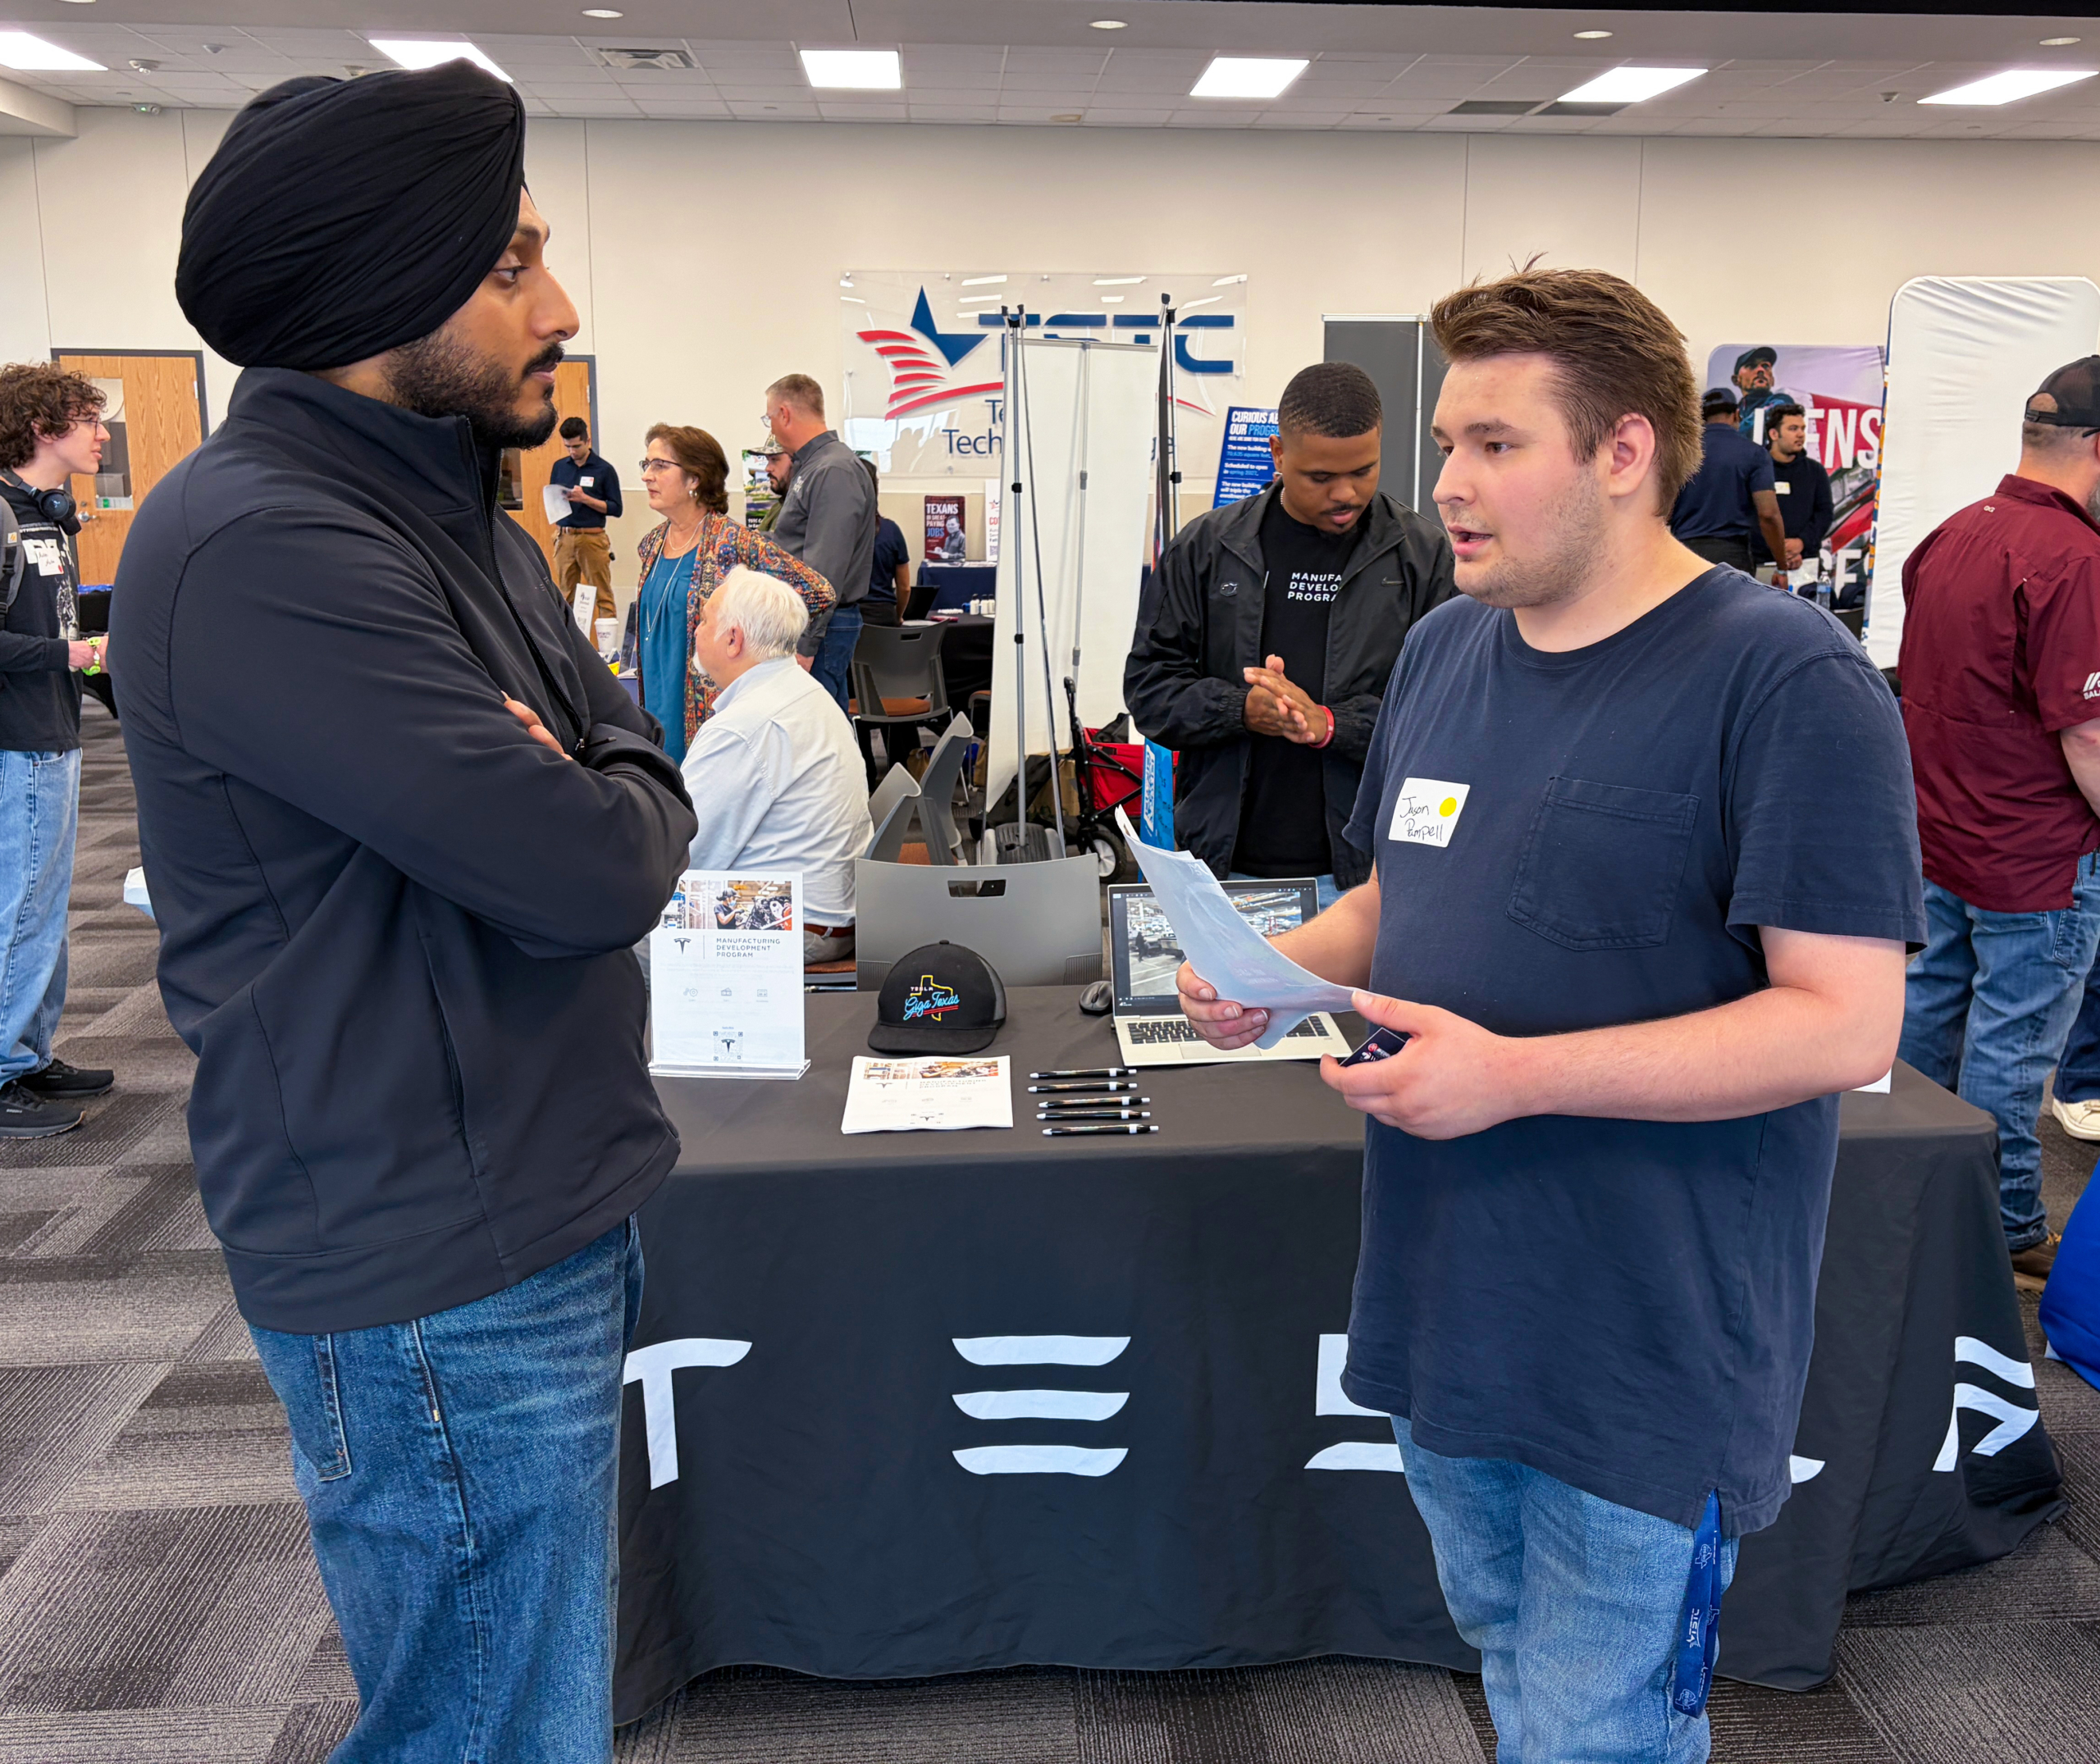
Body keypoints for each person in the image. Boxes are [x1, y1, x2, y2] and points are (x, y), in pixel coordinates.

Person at [1178, 267, 1920, 1762]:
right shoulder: (1450, 648)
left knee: (1599, 1726)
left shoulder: (1787, 680)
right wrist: (1272, 969)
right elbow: (1397, 891)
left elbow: (1846, 1023)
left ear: (1624, 451)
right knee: (1514, 1661)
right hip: (1447, 1299)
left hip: (1644, 1342)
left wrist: (1517, 1076)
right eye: (1447, 444)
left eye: (1495, 445)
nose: (1446, 485)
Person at [112, 63, 700, 1760]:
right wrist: (603, 777)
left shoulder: (449, 514)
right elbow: (598, 870)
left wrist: (598, 763)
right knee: (488, 1728)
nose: (560, 307)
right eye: (512, 265)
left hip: (531, 1201)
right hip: (436, 1254)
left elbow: (632, 769)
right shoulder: (264, 544)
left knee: (529, 1703)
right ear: (377, 289)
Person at [1897, 357, 2100, 1288]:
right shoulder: (2076, 560)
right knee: (2011, 1047)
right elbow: (2087, 734)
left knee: (1927, 1023)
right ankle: (2008, 1226)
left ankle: (1900, 1192)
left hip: (1941, 836)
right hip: (2037, 856)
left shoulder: (1954, 532)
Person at [1124, 362, 1454, 909]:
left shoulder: (1423, 557)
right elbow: (1149, 690)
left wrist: (1332, 725)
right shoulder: (1205, 550)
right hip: (1225, 873)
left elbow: (1448, 714)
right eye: (1320, 478)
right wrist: (1241, 709)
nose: (1345, 494)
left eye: (1364, 471)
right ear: (1278, 454)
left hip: (1368, 877)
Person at [0, 363, 115, 1138]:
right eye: (88, 420)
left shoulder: (49, 517)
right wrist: (66, 655)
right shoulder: (3, 517)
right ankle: (3, 1068)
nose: (103, 435)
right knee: (19, 908)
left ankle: (30, 1053)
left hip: (55, 730)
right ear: (43, 428)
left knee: (43, 906)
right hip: (18, 739)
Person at [682, 567, 873, 965]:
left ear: (733, 639)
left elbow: (684, 853)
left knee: (613, 932)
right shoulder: (804, 691)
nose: (696, 631)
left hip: (793, 920)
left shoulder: (744, 726)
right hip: (829, 909)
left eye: (704, 621)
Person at [623, 423, 834, 766]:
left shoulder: (734, 543)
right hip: (656, 698)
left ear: (695, 478)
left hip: (711, 713)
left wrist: (771, 656)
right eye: (646, 465)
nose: (647, 475)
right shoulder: (652, 544)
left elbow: (817, 591)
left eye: (660, 465)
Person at [765, 372, 876, 713]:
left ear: (785, 414)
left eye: (769, 419)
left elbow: (824, 571)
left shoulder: (833, 470)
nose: (770, 429)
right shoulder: (814, 466)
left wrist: (806, 643)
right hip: (812, 622)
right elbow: (795, 545)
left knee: (815, 727)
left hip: (820, 626)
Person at [1670, 387, 1788, 572]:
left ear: (1700, 418)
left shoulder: (1679, 455)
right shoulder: (1754, 454)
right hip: (1731, 557)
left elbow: (1662, 511)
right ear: (1737, 415)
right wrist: (1782, 565)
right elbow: (1768, 514)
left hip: (1683, 554)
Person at [1752, 400, 1835, 586]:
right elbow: (1747, 515)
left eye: (1802, 429)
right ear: (1774, 434)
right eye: (1793, 429)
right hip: (1760, 564)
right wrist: (1779, 551)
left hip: (1805, 563)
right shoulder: (1755, 470)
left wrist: (1801, 543)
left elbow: (1824, 514)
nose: (1800, 434)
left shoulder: (1815, 471)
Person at [550, 414, 621, 629]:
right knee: (565, 595)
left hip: (592, 537)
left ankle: (607, 646)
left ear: (587, 441)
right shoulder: (560, 467)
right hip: (565, 537)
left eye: (577, 446)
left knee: (603, 595)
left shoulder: (604, 470)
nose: (572, 451)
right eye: (568, 447)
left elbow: (616, 509)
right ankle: (569, 643)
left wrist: (585, 499)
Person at [862, 459, 910, 627]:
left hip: (845, 617)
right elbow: (905, 588)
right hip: (884, 618)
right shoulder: (891, 530)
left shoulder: (837, 531)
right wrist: (898, 616)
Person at [1730, 344, 1796, 444]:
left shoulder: (1782, 400)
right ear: (1736, 380)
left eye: (1766, 366)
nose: (1761, 370)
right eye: (1751, 366)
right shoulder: (1733, 411)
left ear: (1772, 380)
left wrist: (1735, 431)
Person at [756, 438, 790, 534]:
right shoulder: (778, 507)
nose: (767, 468)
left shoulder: (803, 511)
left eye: (774, 460)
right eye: (768, 460)